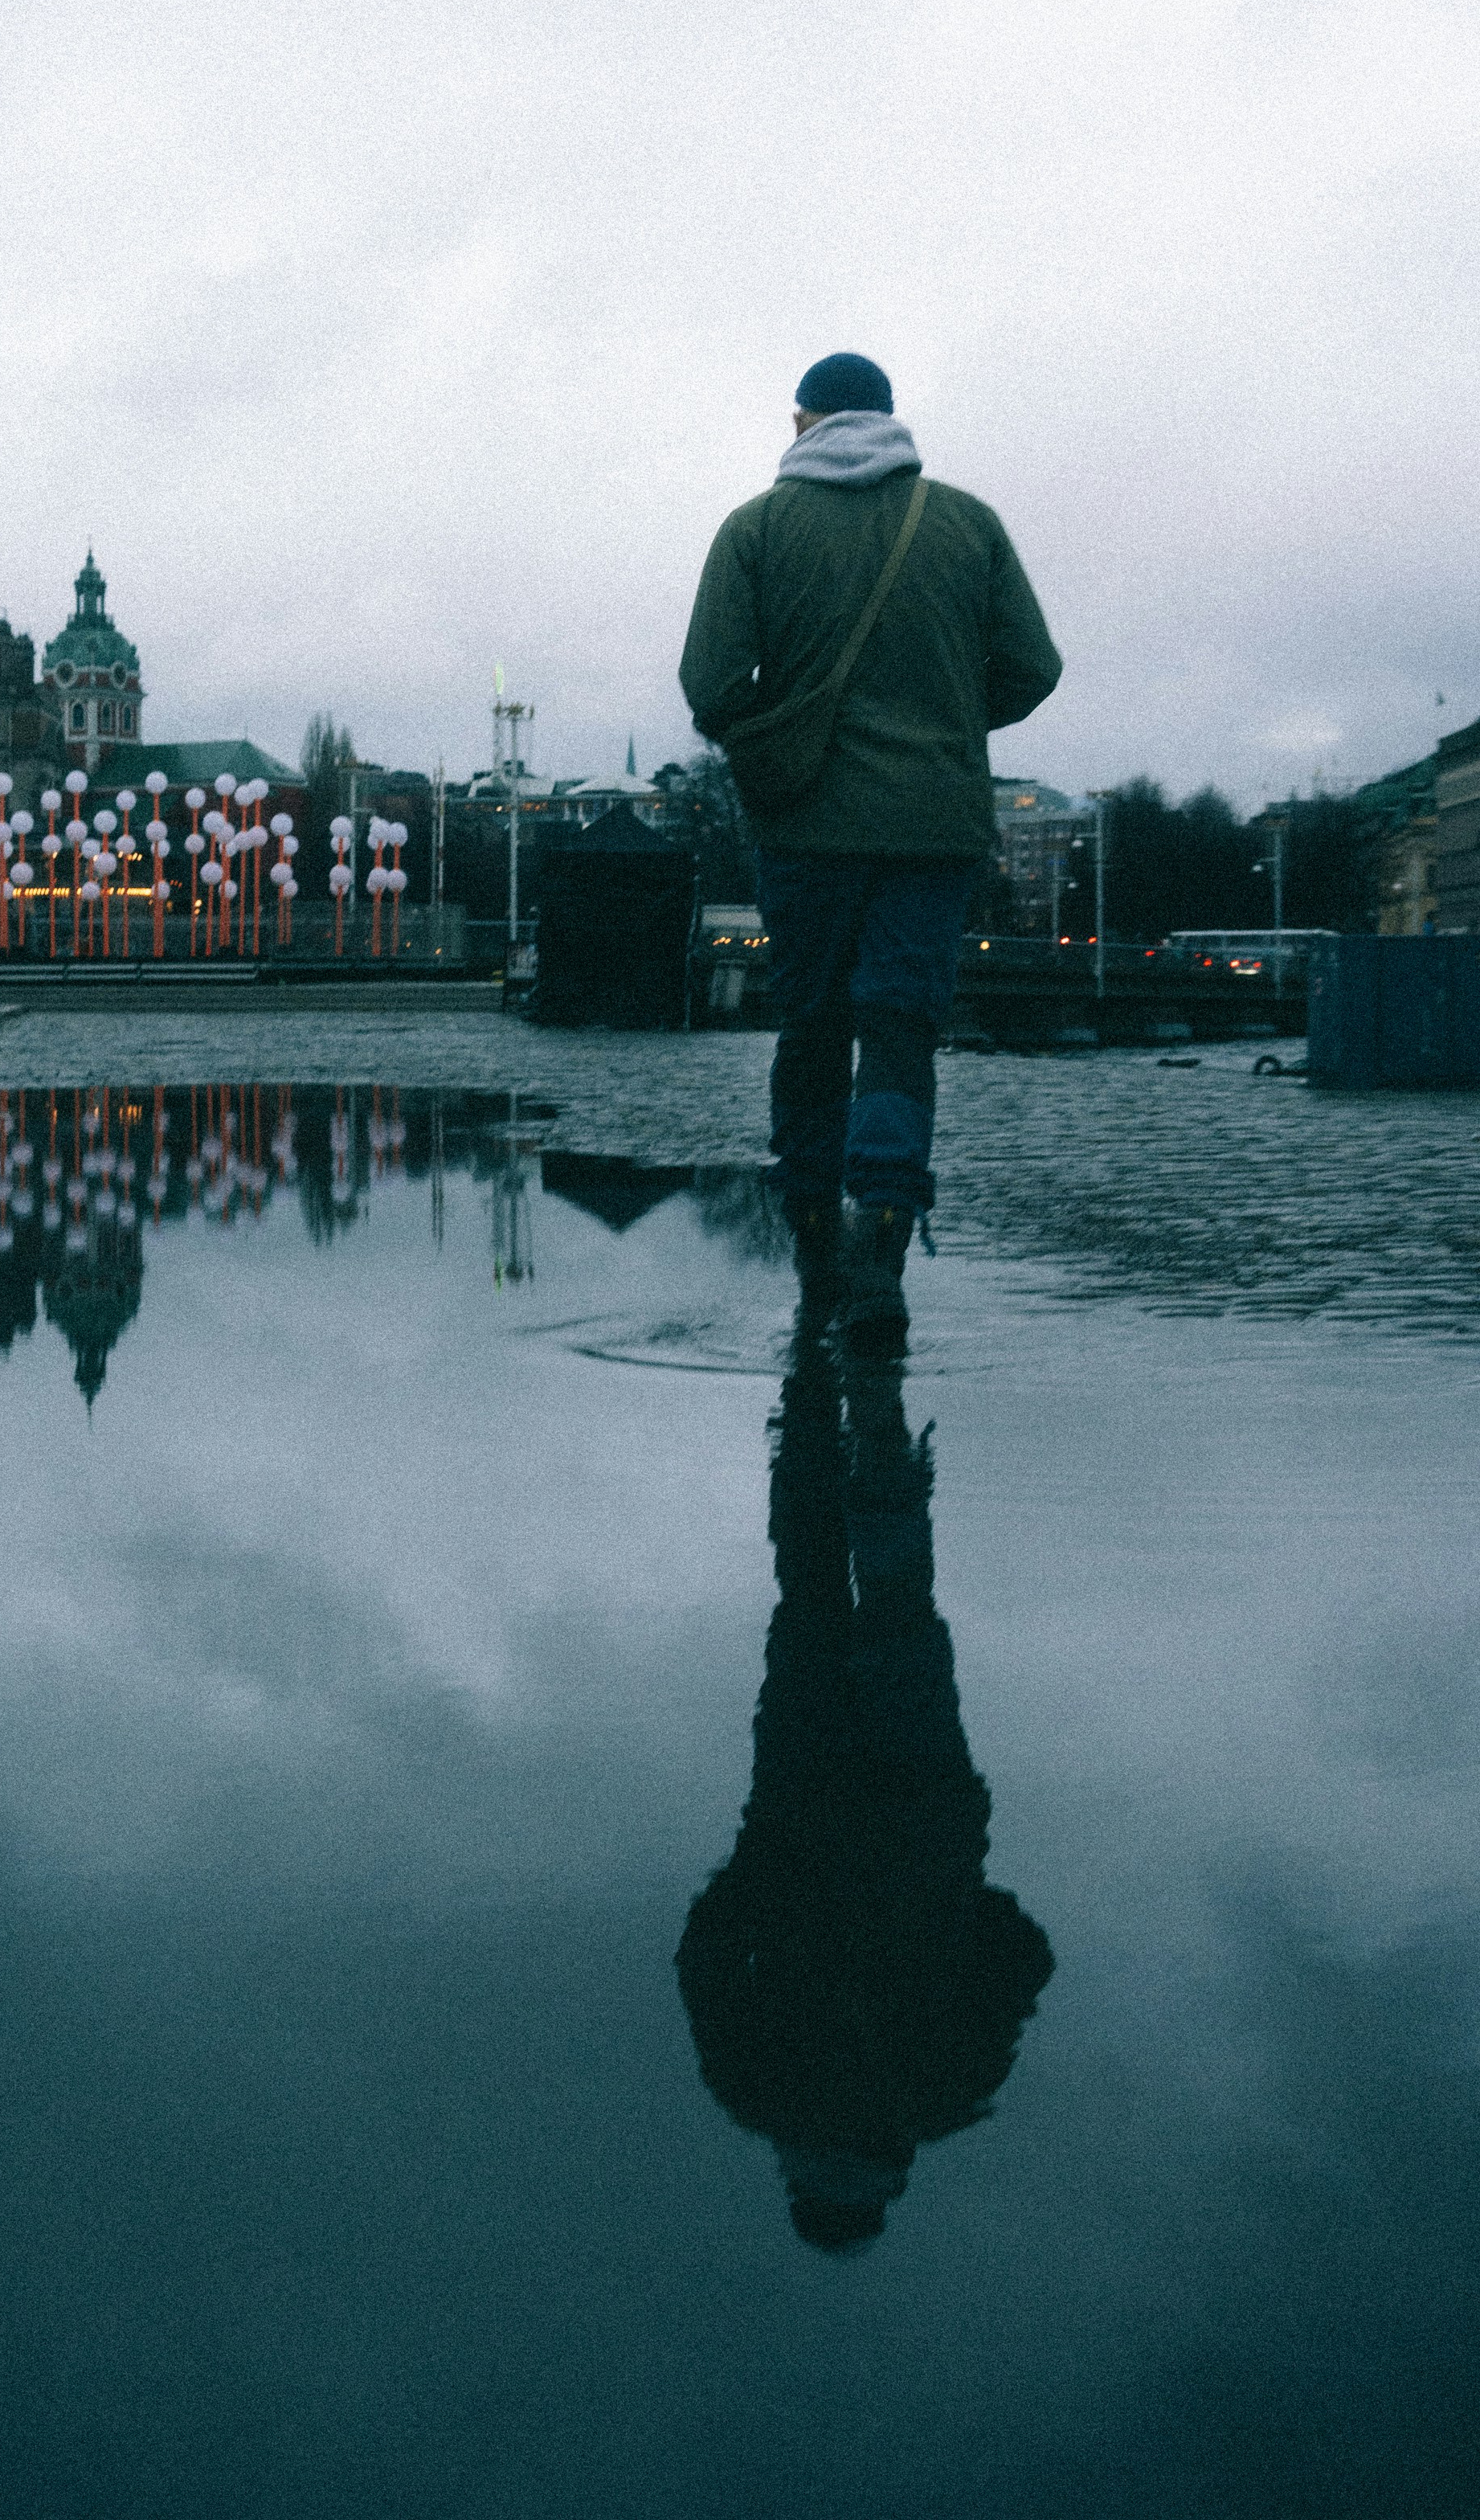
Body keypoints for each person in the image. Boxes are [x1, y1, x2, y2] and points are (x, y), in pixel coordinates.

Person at [680, 351, 1061, 1338]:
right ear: (889, 421)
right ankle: (882, 1238)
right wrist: (946, 721)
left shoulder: (754, 529)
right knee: (899, 1028)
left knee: (811, 1029)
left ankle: (812, 1247)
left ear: (801, 420)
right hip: (932, 830)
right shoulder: (964, 522)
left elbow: (710, 683)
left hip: (804, 828)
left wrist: (779, 734)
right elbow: (1032, 665)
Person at [675, 1328, 1054, 2253]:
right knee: (807, 1595)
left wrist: (956, 1897)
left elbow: (1024, 1954)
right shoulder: (756, 2091)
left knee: (896, 1608)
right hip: (798, 1807)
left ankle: (877, 1432)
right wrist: (759, 1868)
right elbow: (703, 1953)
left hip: (925, 1812)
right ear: (798, 2181)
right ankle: (810, 1401)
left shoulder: (946, 2090)